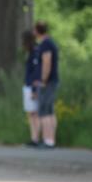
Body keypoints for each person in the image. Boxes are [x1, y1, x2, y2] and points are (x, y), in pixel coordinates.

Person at [33, 21, 59, 149]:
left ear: (37, 31)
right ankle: (51, 139)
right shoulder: (49, 43)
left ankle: (48, 140)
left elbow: (46, 63)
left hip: (47, 82)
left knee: (44, 111)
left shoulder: (46, 44)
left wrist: (43, 80)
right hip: (51, 81)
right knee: (50, 111)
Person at [21, 31, 41, 146]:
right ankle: (33, 137)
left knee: (35, 113)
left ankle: (36, 138)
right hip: (28, 85)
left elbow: (36, 72)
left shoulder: (36, 52)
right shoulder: (31, 52)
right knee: (31, 113)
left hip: (32, 86)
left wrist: (34, 89)